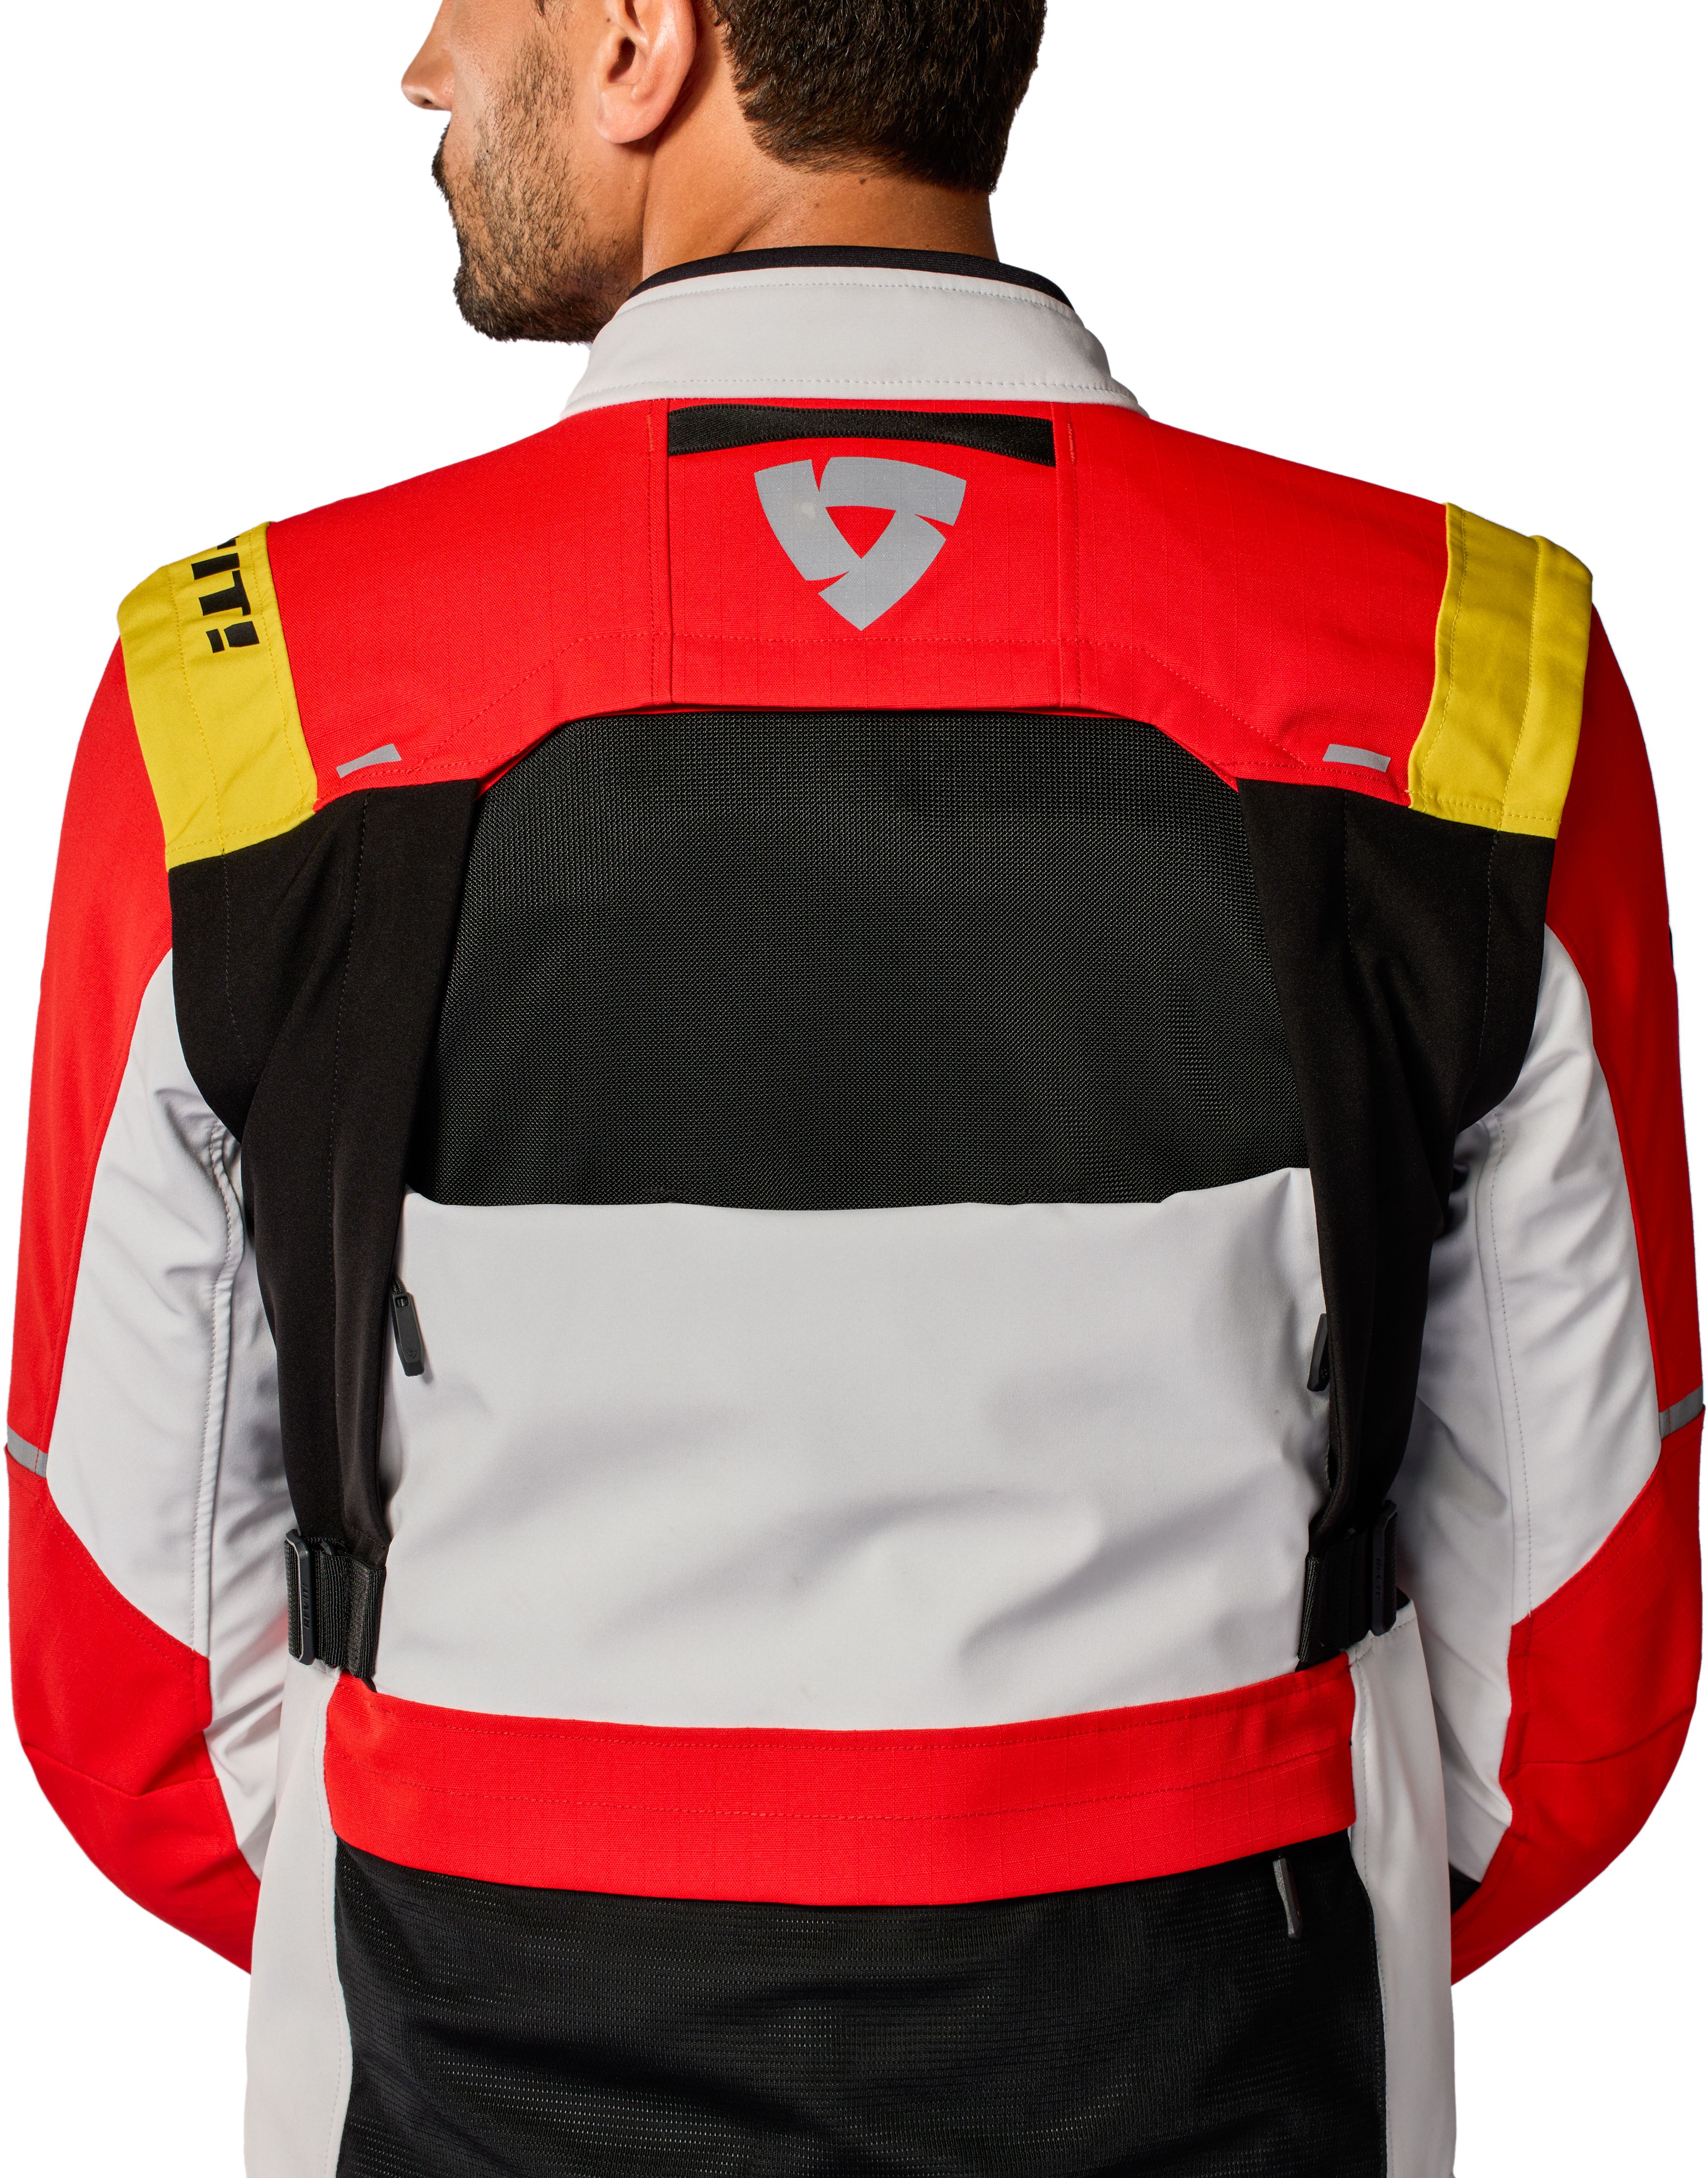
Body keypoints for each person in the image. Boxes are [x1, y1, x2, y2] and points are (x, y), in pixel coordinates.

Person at [8, 2, 1699, 2172]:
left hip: (475, 2080)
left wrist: (454, 1890)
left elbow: (139, 1690)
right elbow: (1570, 1684)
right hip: (1217, 2073)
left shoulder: (244, 701)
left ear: (644, 38)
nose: (424, 62)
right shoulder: (1471, 676)